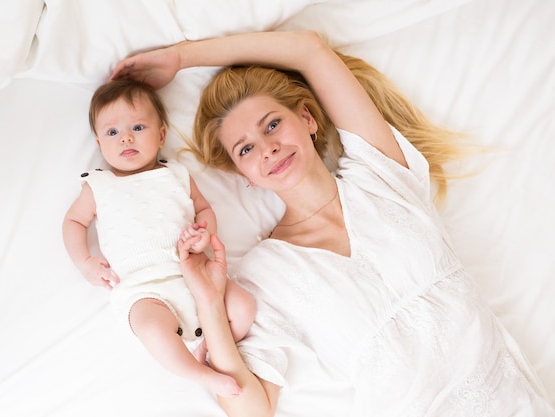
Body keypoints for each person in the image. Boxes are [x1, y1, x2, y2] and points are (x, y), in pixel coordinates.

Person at [111, 31, 555, 416]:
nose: (266, 149)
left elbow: (309, 49)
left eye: (272, 125)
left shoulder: (381, 176)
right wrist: (210, 303)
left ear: (306, 118)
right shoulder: (265, 274)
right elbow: (250, 409)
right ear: (241, 174)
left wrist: (182, 56)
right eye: (245, 150)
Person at [62, 79, 256, 398]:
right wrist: (84, 262)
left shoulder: (177, 174)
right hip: (144, 289)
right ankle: (201, 375)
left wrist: (205, 232)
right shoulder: (99, 186)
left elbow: (204, 209)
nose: (125, 137)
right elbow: (73, 222)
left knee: (243, 305)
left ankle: (210, 344)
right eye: (112, 132)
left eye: (138, 127)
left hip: (196, 273)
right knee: (152, 330)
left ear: (161, 135)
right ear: (99, 143)